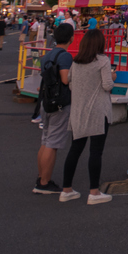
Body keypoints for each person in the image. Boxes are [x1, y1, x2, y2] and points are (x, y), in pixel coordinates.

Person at [61, 28, 115, 204]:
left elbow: (69, 83)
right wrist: (113, 76)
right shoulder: (102, 61)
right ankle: (94, 192)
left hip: (78, 111)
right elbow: (107, 85)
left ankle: (66, 189)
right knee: (96, 152)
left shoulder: (76, 62)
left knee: (75, 150)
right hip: (99, 111)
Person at [33, 22, 75, 195]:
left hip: (46, 101)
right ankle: (44, 183)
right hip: (60, 103)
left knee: (45, 140)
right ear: (71, 38)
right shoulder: (65, 56)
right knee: (53, 143)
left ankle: (42, 177)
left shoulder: (47, 56)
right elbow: (65, 80)